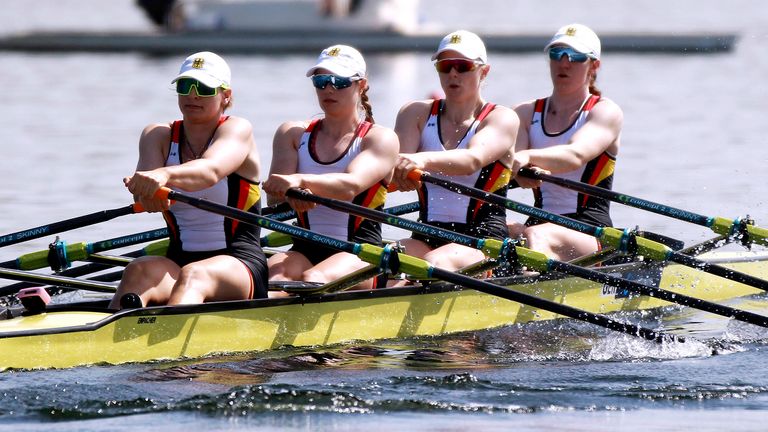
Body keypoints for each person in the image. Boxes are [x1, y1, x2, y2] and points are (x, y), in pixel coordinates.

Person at [108, 51, 268, 309]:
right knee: (137, 269)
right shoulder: (157, 135)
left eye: (204, 88)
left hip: (239, 264)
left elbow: (210, 172)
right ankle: (107, 338)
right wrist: (145, 194)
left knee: (195, 274)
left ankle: (168, 342)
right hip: (177, 261)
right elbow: (145, 197)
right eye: (185, 86)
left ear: (226, 95)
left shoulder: (237, 129)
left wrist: (164, 175)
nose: (193, 94)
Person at [263, 45, 399, 288]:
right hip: (303, 248)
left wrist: (299, 182)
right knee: (271, 281)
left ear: (362, 85)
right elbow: (275, 199)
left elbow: (351, 185)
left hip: (361, 254)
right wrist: (290, 194)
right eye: (321, 80)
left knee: (314, 279)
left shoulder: (380, 139)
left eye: (339, 81)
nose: (328, 88)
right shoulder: (292, 134)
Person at [391, 30, 519, 272]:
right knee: (381, 260)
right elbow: (395, 172)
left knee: (433, 264)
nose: (453, 74)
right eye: (445, 66)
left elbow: (473, 159)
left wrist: (419, 160)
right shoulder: (414, 114)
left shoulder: (501, 118)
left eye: (462, 66)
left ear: (484, 71)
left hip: (482, 240)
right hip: (426, 234)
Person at [507, 24, 623, 261]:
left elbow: (575, 155)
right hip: (538, 224)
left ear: (594, 65)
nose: (564, 62)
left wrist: (527, 157)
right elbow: (509, 165)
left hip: (589, 230)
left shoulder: (604, 112)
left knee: (537, 235)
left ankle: (526, 293)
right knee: (500, 231)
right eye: (556, 54)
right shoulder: (524, 113)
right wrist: (517, 173)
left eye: (576, 56)